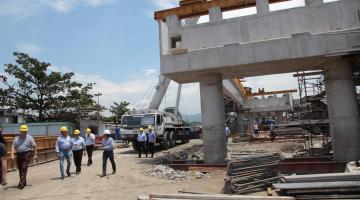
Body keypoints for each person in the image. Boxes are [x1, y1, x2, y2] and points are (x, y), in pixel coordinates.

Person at [11, 125, 37, 189]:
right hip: (19, 154)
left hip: (27, 153)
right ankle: (24, 182)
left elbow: (34, 146)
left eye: (25, 131)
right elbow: (13, 147)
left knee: (23, 167)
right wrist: (12, 155)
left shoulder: (30, 137)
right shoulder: (16, 138)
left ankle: (21, 184)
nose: (24, 132)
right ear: (20, 131)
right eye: (23, 131)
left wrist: (35, 154)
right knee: (21, 169)